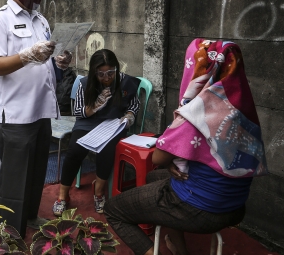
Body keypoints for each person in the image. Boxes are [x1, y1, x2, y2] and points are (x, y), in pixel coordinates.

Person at [103, 39, 268, 255]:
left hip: (200, 208)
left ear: (199, 71)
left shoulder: (196, 110)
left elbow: (158, 158)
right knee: (156, 178)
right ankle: (180, 250)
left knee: (113, 209)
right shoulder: (241, 109)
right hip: (235, 206)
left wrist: (172, 156)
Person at [0, 0, 73, 237]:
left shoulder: (41, 20)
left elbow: (42, 62)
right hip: (16, 114)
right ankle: (9, 233)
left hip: (40, 110)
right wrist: (25, 57)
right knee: (14, 179)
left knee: (35, 174)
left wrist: (59, 62)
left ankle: (30, 217)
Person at [52, 49, 139, 216]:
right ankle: (63, 196)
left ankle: (98, 192)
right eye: (101, 74)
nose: (106, 78)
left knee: (107, 149)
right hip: (88, 123)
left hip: (112, 123)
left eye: (110, 73)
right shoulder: (85, 83)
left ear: (116, 69)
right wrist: (94, 107)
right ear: (94, 71)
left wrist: (129, 117)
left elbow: (134, 105)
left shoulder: (125, 82)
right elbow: (77, 111)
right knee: (74, 150)